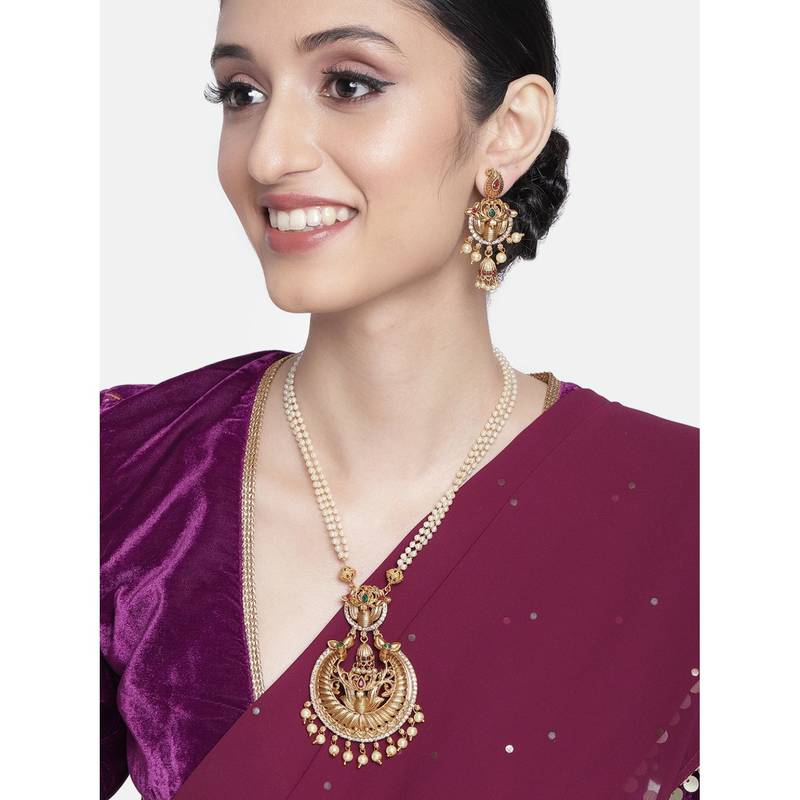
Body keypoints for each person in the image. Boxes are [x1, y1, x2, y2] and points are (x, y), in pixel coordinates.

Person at [100, 1, 699, 798]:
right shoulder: (124, 470)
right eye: (242, 93)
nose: (269, 155)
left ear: (510, 128)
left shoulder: (694, 510)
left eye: (348, 85)